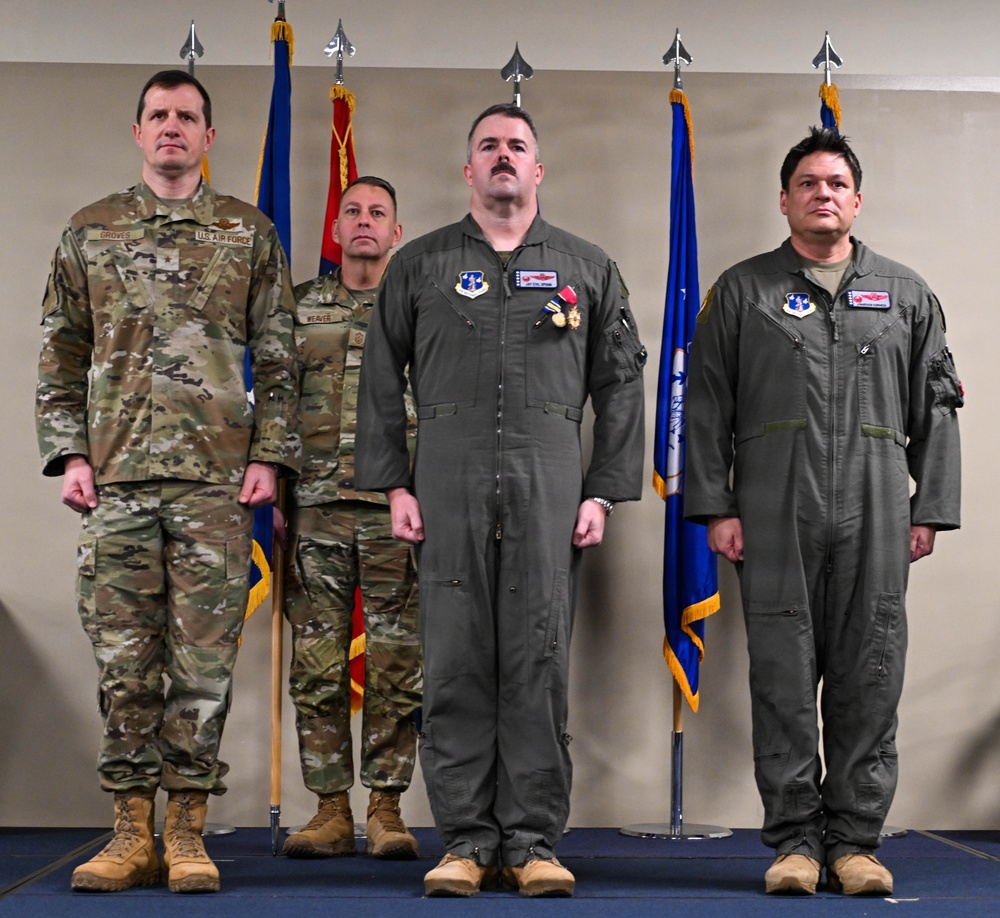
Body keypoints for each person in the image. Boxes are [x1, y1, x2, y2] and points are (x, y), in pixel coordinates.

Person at [355, 103, 646, 898]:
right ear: (468, 171)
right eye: (488, 146)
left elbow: (621, 384)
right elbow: (381, 379)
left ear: (539, 170)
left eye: (518, 146)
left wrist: (605, 493)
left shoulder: (588, 269)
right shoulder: (420, 266)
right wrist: (394, 483)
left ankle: (532, 842)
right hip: (444, 478)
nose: (503, 157)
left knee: (538, 662)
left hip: (550, 480)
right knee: (452, 665)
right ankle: (465, 843)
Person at [35, 70, 300, 894]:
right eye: (159, 116)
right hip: (115, 477)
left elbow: (280, 353)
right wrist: (69, 453)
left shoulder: (247, 234)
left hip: (215, 483)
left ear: (208, 137)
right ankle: (128, 831)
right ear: (139, 132)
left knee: (203, 666)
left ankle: (186, 830)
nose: (173, 128)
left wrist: (268, 456)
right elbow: (61, 352)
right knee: (124, 661)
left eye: (188, 116)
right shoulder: (91, 232)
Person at [685, 127, 963, 897]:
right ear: (784, 200)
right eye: (808, 183)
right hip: (773, 509)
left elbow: (937, 409)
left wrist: (928, 508)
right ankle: (795, 846)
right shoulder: (741, 292)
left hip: (877, 508)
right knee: (780, 676)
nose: (823, 194)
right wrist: (715, 506)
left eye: (837, 183)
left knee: (870, 676)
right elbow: (705, 407)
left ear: (857, 199)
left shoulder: (904, 295)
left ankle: (855, 844)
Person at [278, 176, 422, 861]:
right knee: (316, 666)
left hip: (397, 511)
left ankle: (386, 809)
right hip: (314, 510)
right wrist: (273, 497)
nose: (364, 223)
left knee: (398, 663)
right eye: (353, 212)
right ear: (336, 230)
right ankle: (329, 808)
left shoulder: (424, 309)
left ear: (397, 232)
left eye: (378, 215)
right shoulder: (298, 309)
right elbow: (272, 405)